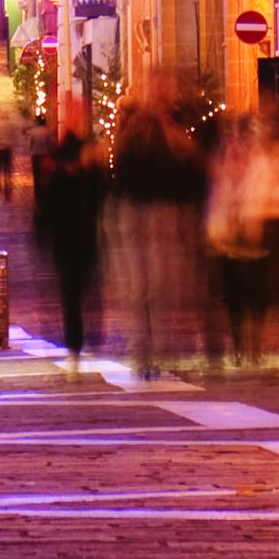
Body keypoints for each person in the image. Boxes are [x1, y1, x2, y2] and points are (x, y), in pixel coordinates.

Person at [106, 85, 208, 378]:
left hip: (157, 213)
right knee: (143, 289)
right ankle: (144, 350)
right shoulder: (131, 137)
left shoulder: (167, 135)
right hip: (138, 213)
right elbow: (119, 170)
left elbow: (188, 160)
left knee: (157, 287)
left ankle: (156, 349)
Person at [203, 111, 279, 368]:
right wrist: (217, 229)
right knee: (236, 296)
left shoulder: (262, 163)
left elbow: (266, 193)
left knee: (257, 295)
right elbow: (218, 196)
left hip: (256, 236)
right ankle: (240, 345)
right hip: (230, 239)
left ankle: (255, 346)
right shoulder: (226, 160)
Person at [32, 126, 106, 372]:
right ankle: (79, 342)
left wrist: (41, 236)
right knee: (78, 297)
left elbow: (44, 213)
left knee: (75, 297)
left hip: (71, 247)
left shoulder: (65, 180)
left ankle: (80, 343)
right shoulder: (86, 180)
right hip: (79, 246)